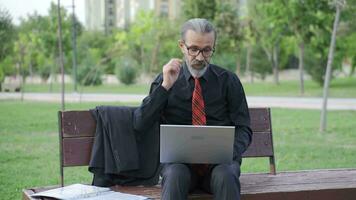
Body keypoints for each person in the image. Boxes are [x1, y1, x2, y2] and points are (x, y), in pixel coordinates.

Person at [133, 18, 252, 200]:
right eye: (194, 49)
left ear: (213, 47)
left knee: (226, 175)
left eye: (206, 50)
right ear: (182, 46)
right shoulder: (166, 80)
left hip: (219, 166)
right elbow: (141, 124)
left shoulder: (228, 81)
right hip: (179, 166)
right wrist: (165, 87)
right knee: (175, 175)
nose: (199, 57)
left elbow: (244, 129)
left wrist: (228, 152)